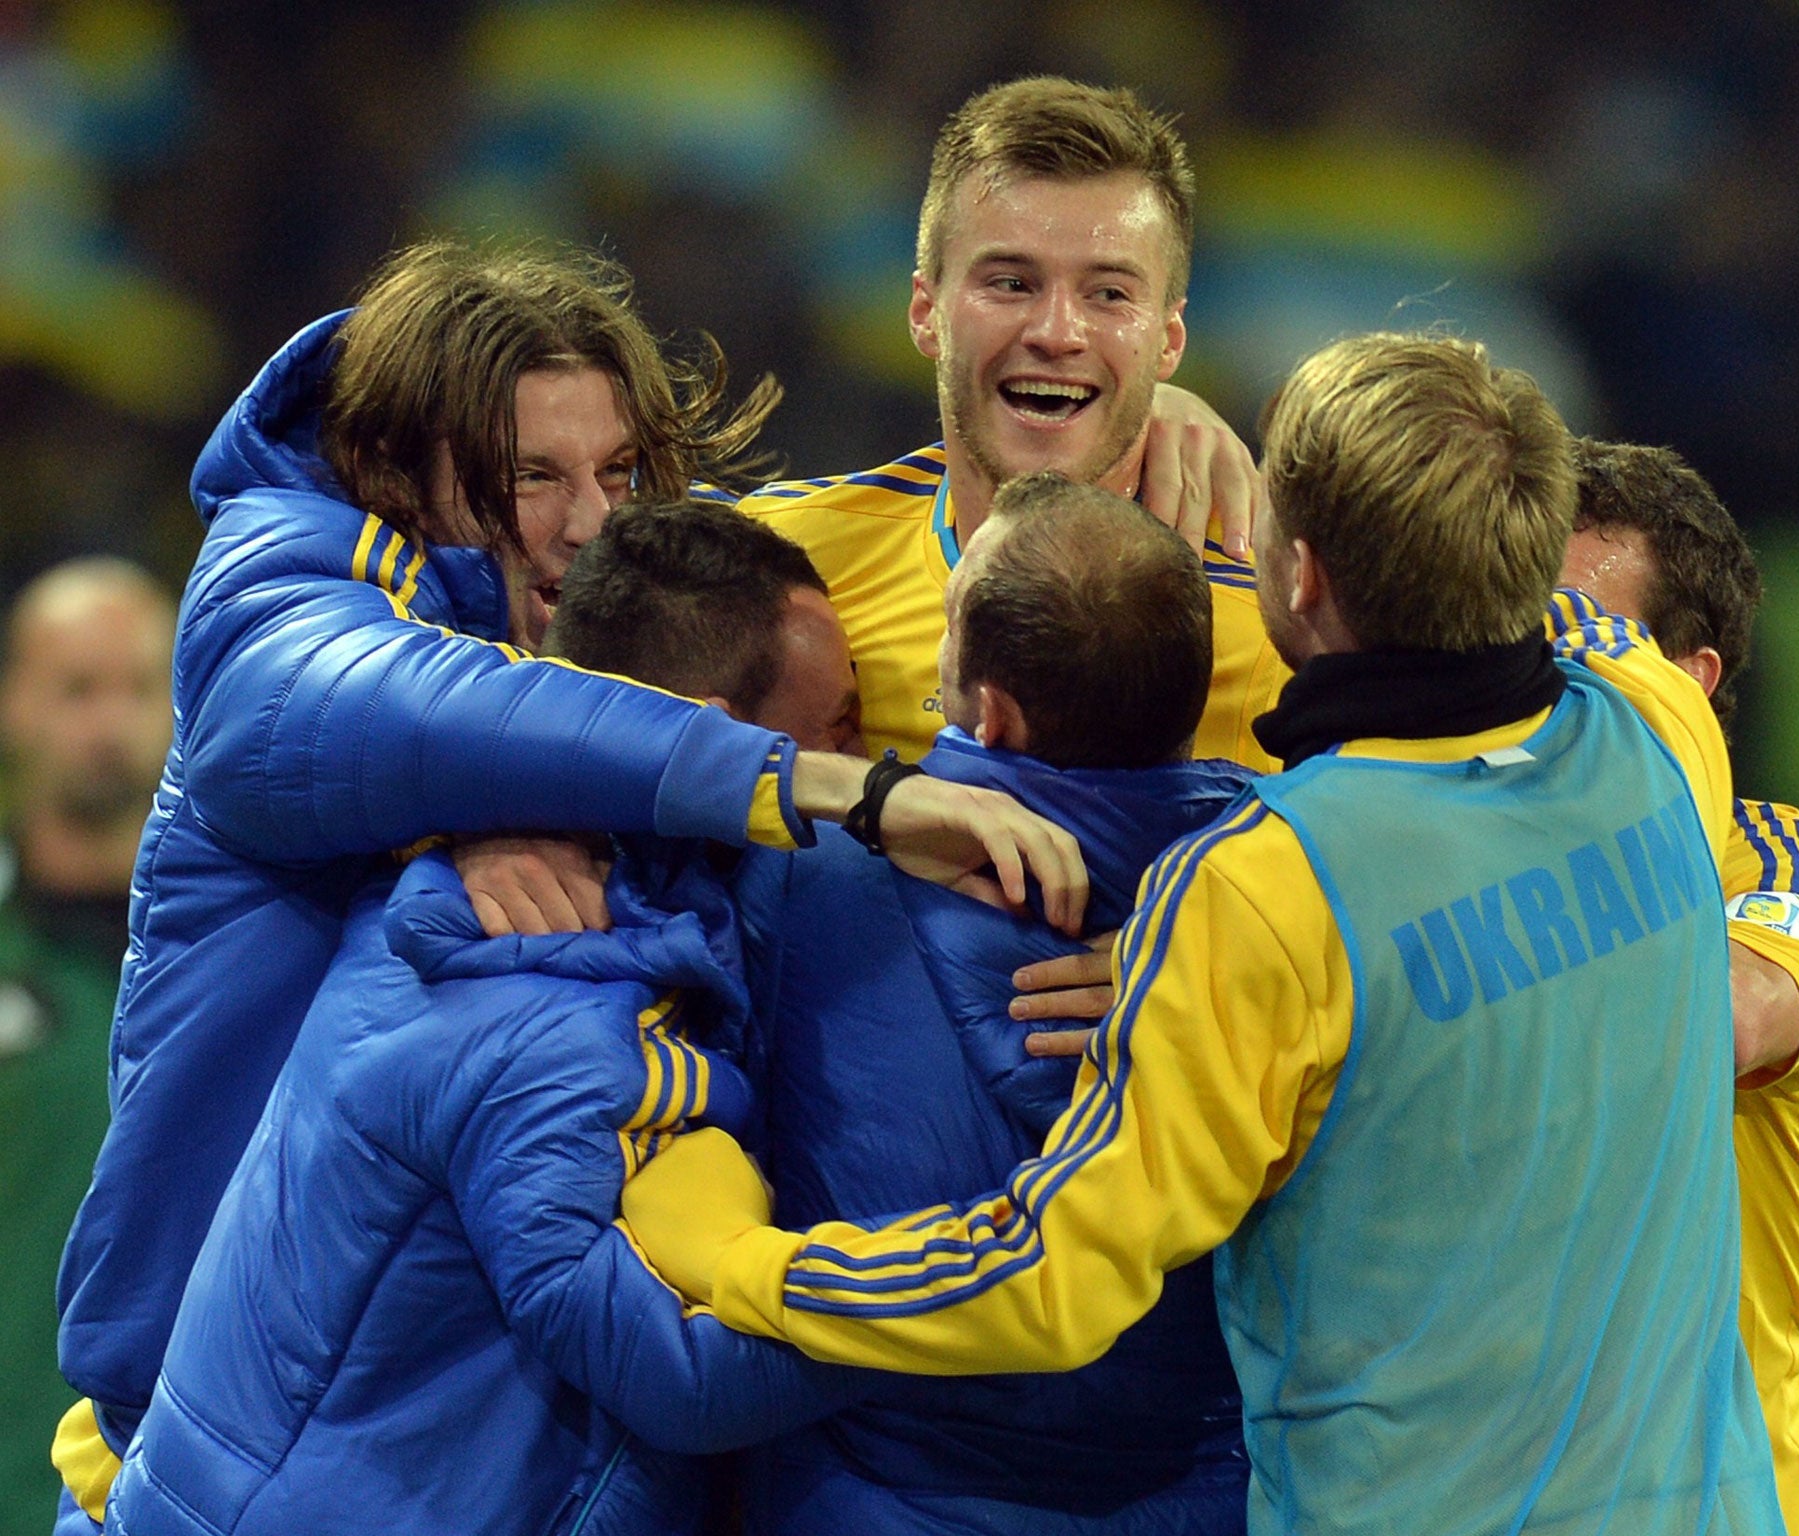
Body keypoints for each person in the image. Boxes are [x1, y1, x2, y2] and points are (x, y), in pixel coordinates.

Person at [620, 333, 1786, 1533]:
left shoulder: (1268, 885)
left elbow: (1046, 1282)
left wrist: (743, 1263)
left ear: (1301, 578)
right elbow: (1567, 636)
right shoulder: (1655, 733)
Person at [50, 240, 1083, 1532]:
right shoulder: (283, 591)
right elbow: (398, 719)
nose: (589, 521)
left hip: (429, 1444)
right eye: (530, 475)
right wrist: (834, 788)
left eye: (618, 471)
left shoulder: (578, 713)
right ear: (399, 470)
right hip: (225, 1438)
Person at [101, 501, 889, 1536]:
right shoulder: (532, 991)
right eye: (832, 730)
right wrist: (990, 1287)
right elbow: (673, 1368)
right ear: (712, 738)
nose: (862, 755)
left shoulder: (568, 917)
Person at [732, 472, 1251, 1534]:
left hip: (865, 1499)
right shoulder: (1287, 904)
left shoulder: (790, 881)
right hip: (1207, 1498)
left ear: (990, 712)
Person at [733, 77, 1286, 771]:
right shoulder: (783, 567)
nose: (1058, 333)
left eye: (1109, 294)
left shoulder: (1276, 621)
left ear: (1169, 340)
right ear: (925, 312)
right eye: (1011, 283)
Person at [1558, 438, 1799, 1536]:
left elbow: (1727, 1018)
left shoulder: (1783, 869)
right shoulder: (1401, 852)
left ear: (1681, 683)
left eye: (1570, 637)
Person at [0, 563, 172, 1536]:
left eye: (137, 687)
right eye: (75, 688)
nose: (108, 722)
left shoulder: (250, 965)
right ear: (13, 704)